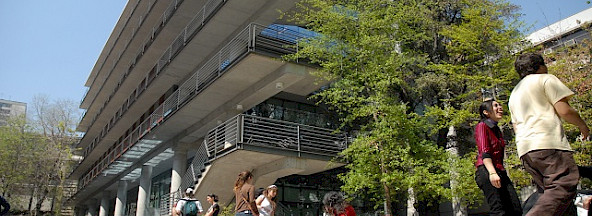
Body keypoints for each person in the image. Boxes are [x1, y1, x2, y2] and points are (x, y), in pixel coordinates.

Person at [509, 52, 590, 216]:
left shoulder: (515, 93)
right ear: (540, 66)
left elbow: (516, 126)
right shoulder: (545, 79)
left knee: (555, 199)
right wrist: (583, 126)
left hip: (526, 150)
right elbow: (564, 110)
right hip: (548, 144)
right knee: (563, 186)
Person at [473, 99, 522, 215]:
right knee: (498, 210)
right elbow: (484, 151)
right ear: (486, 112)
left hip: (499, 170)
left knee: (515, 209)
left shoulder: (497, 130)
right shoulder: (482, 126)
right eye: (495, 106)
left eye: (499, 105)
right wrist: (492, 173)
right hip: (487, 170)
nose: (500, 107)